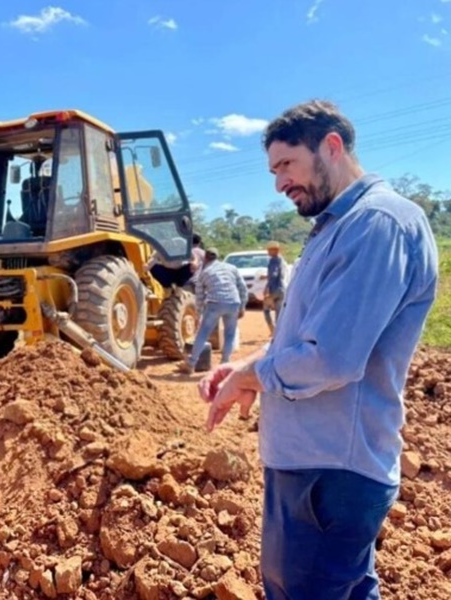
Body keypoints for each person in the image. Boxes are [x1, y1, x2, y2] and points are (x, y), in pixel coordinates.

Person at [198, 100, 438, 599]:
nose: (279, 183)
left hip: (331, 472)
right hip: (315, 464)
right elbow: (305, 341)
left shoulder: (377, 224)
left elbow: (330, 358)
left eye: (287, 164)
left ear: (331, 146)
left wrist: (252, 376)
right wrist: (247, 369)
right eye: (273, 170)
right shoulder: (338, 226)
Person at [179, 246, 248, 375]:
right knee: (229, 335)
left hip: (215, 304)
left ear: (205, 258)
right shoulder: (231, 268)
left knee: (203, 334)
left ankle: (191, 364)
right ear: (217, 257)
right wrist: (242, 306)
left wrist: (198, 314)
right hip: (233, 303)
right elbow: (243, 288)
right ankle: (225, 363)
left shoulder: (204, 273)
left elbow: (199, 296)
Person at [262, 240, 286, 336]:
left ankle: (273, 330)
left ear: (275, 250)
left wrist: (267, 286)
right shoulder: (282, 260)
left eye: (269, 250)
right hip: (282, 288)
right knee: (279, 313)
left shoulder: (274, 260)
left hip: (275, 289)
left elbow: (274, 275)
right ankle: (279, 332)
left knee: (266, 309)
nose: (268, 252)